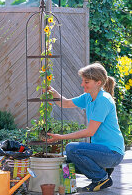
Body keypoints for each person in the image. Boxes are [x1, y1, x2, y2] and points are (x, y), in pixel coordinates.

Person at [46, 62, 125, 192]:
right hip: (101, 151)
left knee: (71, 148)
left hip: (112, 153)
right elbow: (65, 103)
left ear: (98, 82)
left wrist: (61, 137)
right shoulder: (88, 97)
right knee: (62, 158)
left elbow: (90, 131)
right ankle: (71, 186)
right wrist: (52, 91)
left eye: (86, 82)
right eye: (83, 81)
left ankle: (101, 178)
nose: (82, 84)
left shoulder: (103, 100)